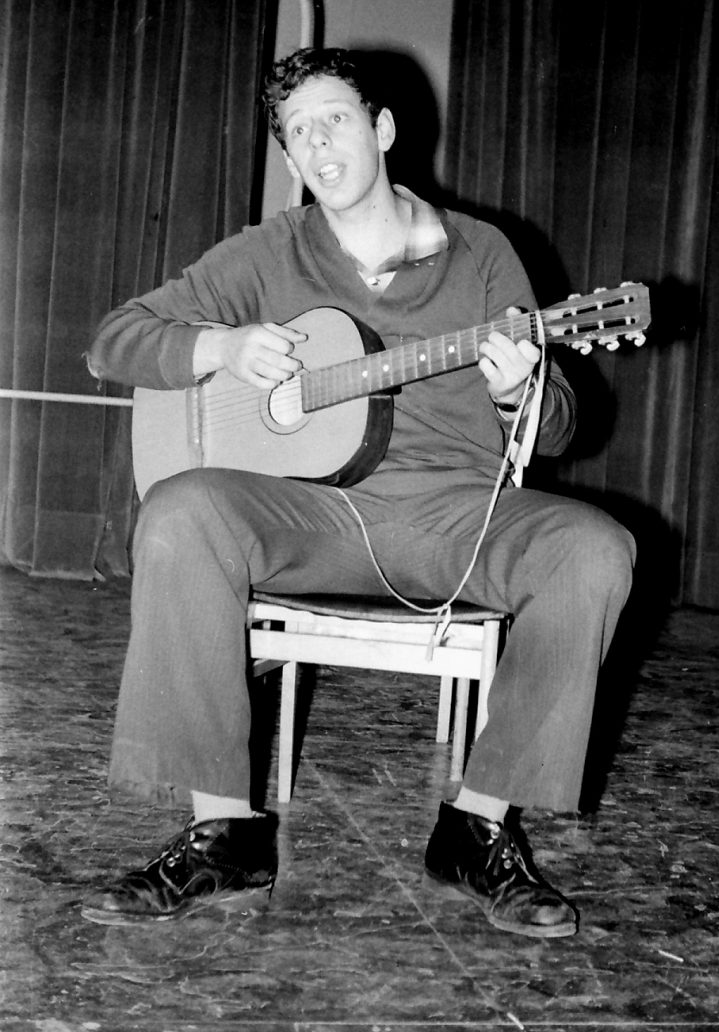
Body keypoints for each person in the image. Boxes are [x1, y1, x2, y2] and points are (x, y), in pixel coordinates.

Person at [82, 46, 635, 934]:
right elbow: (115, 339)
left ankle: (477, 829)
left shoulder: (481, 253)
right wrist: (220, 347)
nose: (317, 143)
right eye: (297, 132)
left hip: (454, 517)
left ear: (381, 129)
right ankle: (222, 834)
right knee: (182, 510)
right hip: (311, 516)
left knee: (594, 548)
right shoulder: (268, 251)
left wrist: (518, 389)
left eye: (333, 119)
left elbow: (563, 424)